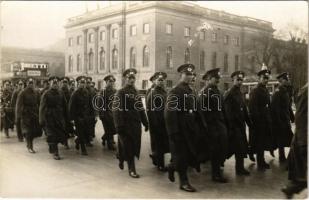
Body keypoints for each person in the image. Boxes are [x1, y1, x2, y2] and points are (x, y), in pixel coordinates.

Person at [165, 64, 204, 192]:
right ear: (180, 75)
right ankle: (183, 182)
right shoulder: (175, 91)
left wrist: (201, 125)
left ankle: (172, 166)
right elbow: (169, 113)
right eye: (186, 74)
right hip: (180, 128)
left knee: (187, 154)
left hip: (191, 128)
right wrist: (173, 132)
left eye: (191, 74)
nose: (189, 77)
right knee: (181, 155)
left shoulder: (191, 90)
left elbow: (196, 109)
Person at [113, 68, 149, 178]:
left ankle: (120, 155)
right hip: (125, 124)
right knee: (129, 147)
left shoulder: (136, 92)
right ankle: (132, 169)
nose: (132, 80)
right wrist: (119, 126)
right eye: (129, 78)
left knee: (134, 145)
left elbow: (141, 108)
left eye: (133, 78)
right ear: (125, 79)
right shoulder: (121, 92)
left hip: (135, 124)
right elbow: (117, 110)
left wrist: (145, 122)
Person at [199, 68, 228, 183]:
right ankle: (215, 175)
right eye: (215, 78)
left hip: (219, 125)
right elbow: (202, 113)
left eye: (218, 78)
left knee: (220, 149)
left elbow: (222, 109)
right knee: (215, 150)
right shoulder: (205, 92)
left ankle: (217, 171)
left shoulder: (217, 91)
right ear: (209, 79)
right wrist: (206, 127)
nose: (218, 80)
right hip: (212, 126)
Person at [281, 83, 307, 199]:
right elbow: (300, 118)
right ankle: (292, 187)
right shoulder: (306, 91)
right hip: (304, 140)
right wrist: (302, 142)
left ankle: (292, 188)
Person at [224, 71, 252, 176]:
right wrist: (232, 127)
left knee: (240, 148)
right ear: (233, 80)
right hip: (234, 127)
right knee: (233, 148)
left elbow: (244, 109)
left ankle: (239, 168)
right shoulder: (229, 94)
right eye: (237, 79)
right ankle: (218, 166)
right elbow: (228, 112)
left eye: (241, 80)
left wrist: (249, 123)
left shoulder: (240, 93)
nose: (240, 82)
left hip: (240, 126)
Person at [248, 65, 274, 170]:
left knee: (262, 141)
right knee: (259, 142)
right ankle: (260, 162)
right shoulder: (256, 90)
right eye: (264, 78)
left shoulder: (265, 89)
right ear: (259, 78)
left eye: (267, 78)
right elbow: (253, 107)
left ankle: (258, 157)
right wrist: (257, 121)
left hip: (265, 119)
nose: (266, 80)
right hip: (258, 121)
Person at [39, 76, 69, 160]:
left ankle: (53, 147)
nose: (55, 84)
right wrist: (41, 120)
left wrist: (67, 117)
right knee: (52, 135)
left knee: (59, 134)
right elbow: (42, 107)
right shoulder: (46, 93)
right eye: (53, 83)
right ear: (50, 84)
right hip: (49, 117)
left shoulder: (61, 93)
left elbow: (65, 106)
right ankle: (55, 152)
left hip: (59, 117)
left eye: (56, 83)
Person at [147, 72, 170, 171]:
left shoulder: (164, 92)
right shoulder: (153, 93)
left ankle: (156, 157)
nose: (161, 82)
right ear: (155, 81)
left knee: (163, 143)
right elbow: (150, 110)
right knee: (159, 143)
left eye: (162, 80)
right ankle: (160, 164)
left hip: (164, 121)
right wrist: (154, 123)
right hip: (157, 123)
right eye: (159, 80)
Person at [270, 72, 294, 162]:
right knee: (281, 139)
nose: (287, 81)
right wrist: (279, 121)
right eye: (286, 80)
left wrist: (292, 117)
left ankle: (283, 155)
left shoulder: (285, 91)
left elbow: (288, 106)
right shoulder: (278, 92)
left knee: (287, 138)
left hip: (285, 119)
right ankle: (282, 157)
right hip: (280, 121)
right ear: (281, 81)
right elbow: (274, 108)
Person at [15, 78, 42, 153]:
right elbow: (18, 105)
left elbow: (40, 103)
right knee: (28, 131)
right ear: (26, 83)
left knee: (33, 131)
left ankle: (29, 143)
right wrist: (18, 116)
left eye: (32, 82)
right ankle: (30, 146)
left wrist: (40, 113)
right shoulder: (22, 93)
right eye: (29, 82)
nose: (31, 84)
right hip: (26, 114)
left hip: (34, 113)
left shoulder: (36, 92)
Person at [68, 76, 90, 155]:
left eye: (83, 83)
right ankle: (83, 149)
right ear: (78, 84)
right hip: (78, 116)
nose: (82, 85)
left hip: (85, 116)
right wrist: (72, 119)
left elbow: (89, 104)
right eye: (81, 83)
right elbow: (71, 107)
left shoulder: (86, 92)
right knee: (81, 132)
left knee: (85, 132)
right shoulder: (75, 94)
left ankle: (77, 141)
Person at [99, 75, 117, 150]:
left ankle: (104, 137)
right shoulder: (103, 91)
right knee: (108, 129)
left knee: (114, 128)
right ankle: (110, 144)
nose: (111, 83)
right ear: (106, 82)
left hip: (113, 113)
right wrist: (101, 114)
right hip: (105, 113)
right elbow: (100, 104)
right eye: (110, 81)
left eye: (112, 81)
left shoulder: (115, 91)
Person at [146, 74, 158, 166]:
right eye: (156, 79)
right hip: (153, 117)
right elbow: (148, 105)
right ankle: (154, 153)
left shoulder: (162, 90)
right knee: (154, 137)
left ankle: (156, 153)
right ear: (153, 81)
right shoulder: (150, 91)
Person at [85, 76, 97, 146]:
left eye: (89, 82)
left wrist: (96, 114)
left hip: (91, 112)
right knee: (86, 126)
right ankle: (86, 141)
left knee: (91, 126)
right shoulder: (82, 91)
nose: (88, 84)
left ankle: (88, 139)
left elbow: (95, 102)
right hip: (85, 112)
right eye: (87, 82)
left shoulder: (93, 91)